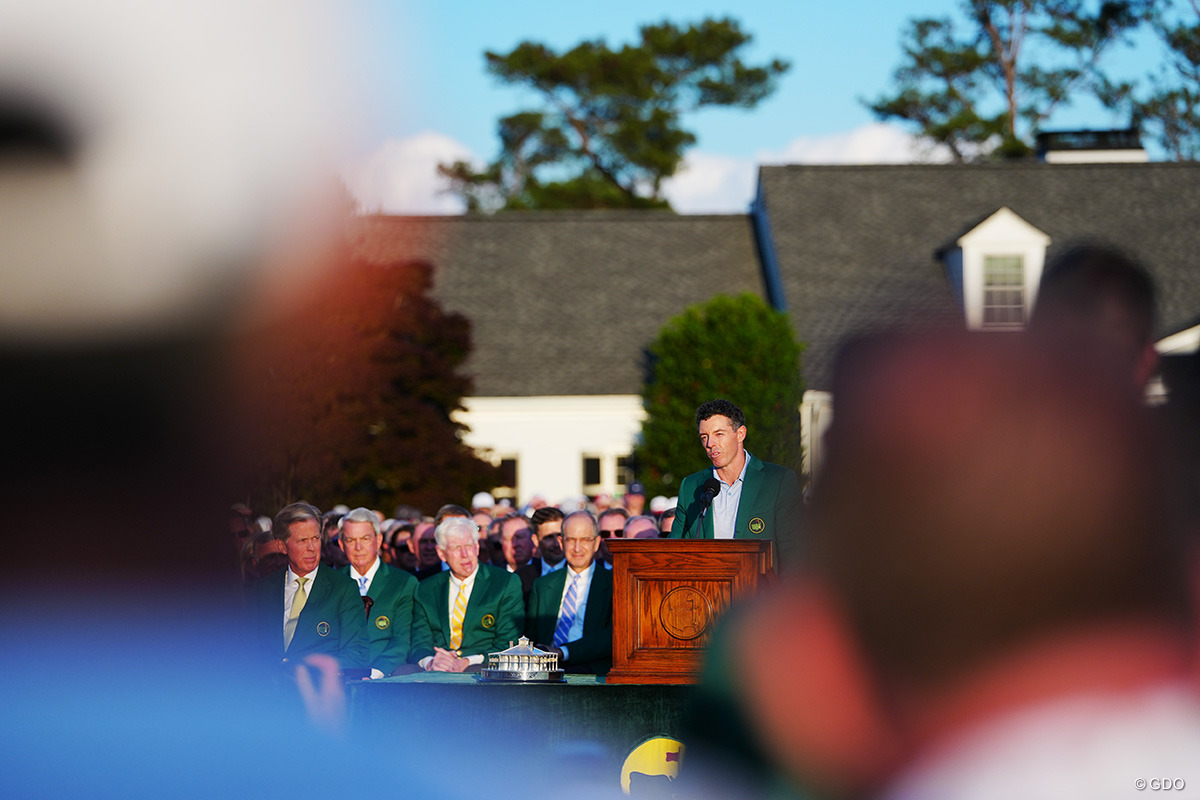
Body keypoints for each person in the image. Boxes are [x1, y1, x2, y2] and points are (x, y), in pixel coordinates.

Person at [669, 399, 803, 571]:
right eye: (704, 437)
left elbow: (795, 557)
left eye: (719, 434)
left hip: (761, 595)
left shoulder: (778, 481)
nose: (710, 444)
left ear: (740, 434)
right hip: (706, 594)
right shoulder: (691, 486)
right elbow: (673, 553)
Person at [249, 502, 370, 672]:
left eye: (315, 538)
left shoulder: (342, 588)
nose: (311, 548)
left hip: (316, 690)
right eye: (302, 540)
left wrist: (307, 670)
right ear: (282, 546)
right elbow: (247, 646)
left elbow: (357, 654)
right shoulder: (263, 589)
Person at [410, 516, 524, 672]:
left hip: (482, 669)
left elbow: (508, 642)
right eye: (456, 548)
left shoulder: (504, 583)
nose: (465, 554)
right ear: (441, 553)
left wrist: (468, 661)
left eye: (469, 545)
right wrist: (431, 662)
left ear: (477, 547)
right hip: (437, 670)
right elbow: (419, 642)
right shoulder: (425, 589)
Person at [526, 511, 613, 675]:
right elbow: (531, 636)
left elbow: (611, 637)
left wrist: (562, 652)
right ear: (561, 542)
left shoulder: (613, 583)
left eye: (585, 540)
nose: (577, 548)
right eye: (571, 540)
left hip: (591, 671)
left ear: (596, 543)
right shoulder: (543, 585)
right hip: (545, 672)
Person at [338, 507, 418, 678]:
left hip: (383, 678)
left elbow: (402, 641)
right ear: (341, 544)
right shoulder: (331, 583)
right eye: (351, 540)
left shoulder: (403, 583)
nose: (358, 547)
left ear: (379, 540)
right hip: (338, 677)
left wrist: (374, 673)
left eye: (365, 539)